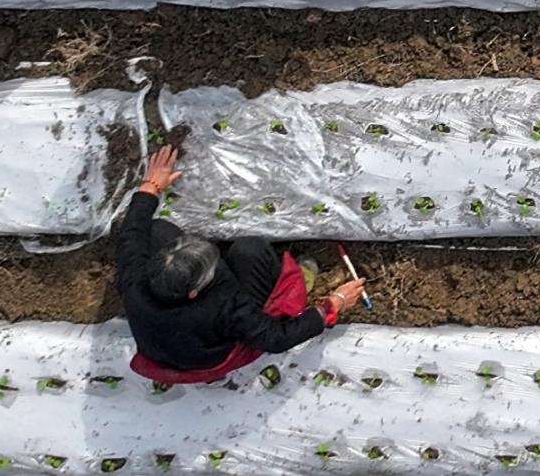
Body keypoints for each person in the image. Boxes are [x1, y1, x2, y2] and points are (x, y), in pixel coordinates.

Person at [113, 132, 362, 383]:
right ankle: (297, 277)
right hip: (209, 356)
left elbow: (131, 234)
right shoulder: (224, 307)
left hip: (169, 343)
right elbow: (277, 338)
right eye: (209, 272)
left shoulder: (134, 281)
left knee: (157, 231)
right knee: (249, 251)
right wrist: (333, 304)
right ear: (194, 292)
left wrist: (151, 186)